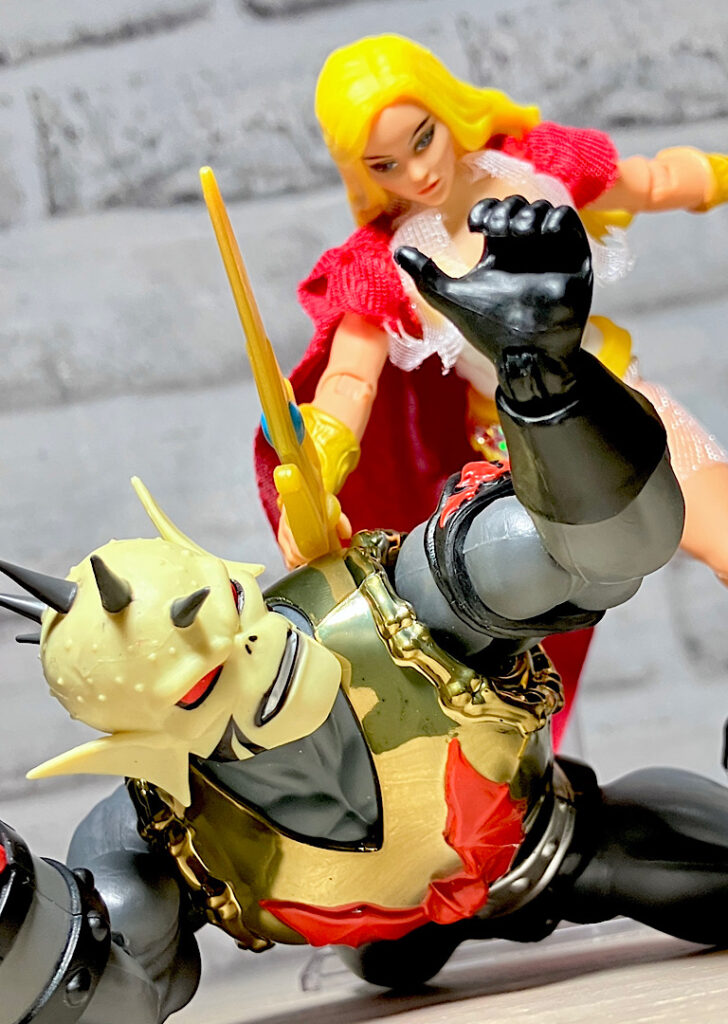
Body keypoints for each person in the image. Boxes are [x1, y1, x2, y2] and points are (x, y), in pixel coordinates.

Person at [3, 200, 728, 1023]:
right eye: (203, 684)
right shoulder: (162, 823)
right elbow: (104, 991)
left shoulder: (393, 610)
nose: (259, 653)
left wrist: (546, 384)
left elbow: (611, 547)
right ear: (141, 742)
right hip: (384, 940)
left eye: (238, 609)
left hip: (541, 845)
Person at [255, 34, 728, 584]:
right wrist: (311, 481)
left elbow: (651, 182)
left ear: (446, 109)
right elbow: (347, 383)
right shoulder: (381, 263)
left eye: (424, 139)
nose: (417, 173)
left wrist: (715, 175)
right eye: (386, 165)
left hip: (612, 393)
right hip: (516, 457)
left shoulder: (533, 167)